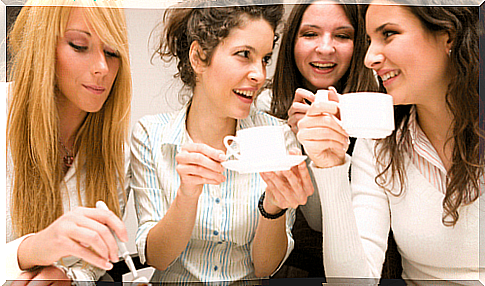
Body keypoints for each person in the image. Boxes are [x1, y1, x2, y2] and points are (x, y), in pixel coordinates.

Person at [297, 1, 482, 284]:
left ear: (449, 35)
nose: (369, 58)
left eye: (389, 34)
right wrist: (330, 167)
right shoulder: (379, 142)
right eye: (370, 40)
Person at [130, 0, 314, 283]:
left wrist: (274, 207)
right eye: (244, 55)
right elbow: (157, 258)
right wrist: (187, 197)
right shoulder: (150, 135)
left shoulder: (279, 138)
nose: (260, 75)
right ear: (199, 58)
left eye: (264, 59)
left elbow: (265, 268)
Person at [6, 0, 132, 283]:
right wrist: (27, 252)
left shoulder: (117, 151)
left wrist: (70, 277)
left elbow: (94, 266)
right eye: (79, 45)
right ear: (43, 46)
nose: (102, 68)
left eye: (112, 52)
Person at [256, 0, 379, 278]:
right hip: (291, 263)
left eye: (342, 36)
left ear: (360, 45)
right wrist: (297, 143)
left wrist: (329, 152)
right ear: (291, 42)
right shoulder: (265, 108)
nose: (325, 48)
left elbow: (332, 228)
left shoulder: (374, 111)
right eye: (310, 34)